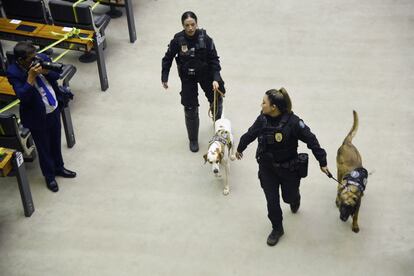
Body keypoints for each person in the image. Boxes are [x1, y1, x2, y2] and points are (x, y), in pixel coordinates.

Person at [235, 88, 330, 246]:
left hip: (288, 170)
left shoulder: (293, 122)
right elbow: (251, 133)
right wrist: (240, 148)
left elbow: (311, 139)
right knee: (272, 201)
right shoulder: (262, 119)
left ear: (274, 107)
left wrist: (323, 161)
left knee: (289, 198)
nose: (261, 104)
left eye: (264, 102)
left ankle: (295, 198)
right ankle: (277, 228)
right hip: (267, 169)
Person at [6, 41, 76, 193]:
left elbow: (57, 75)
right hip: (36, 115)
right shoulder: (13, 72)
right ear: (21, 60)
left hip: (53, 108)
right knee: (44, 148)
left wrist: (46, 72)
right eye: (31, 58)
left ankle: (59, 167)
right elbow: (23, 96)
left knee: (55, 141)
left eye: (35, 55)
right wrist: (31, 77)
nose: (35, 59)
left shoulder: (42, 58)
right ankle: (49, 176)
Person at [161, 11, 226, 152]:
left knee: (217, 98)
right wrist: (164, 76)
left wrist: (216, 78)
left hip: (206, 74)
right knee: (190, 108)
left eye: (193, 24)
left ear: (197, 23)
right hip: (187, 77)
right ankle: (193, 139)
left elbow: (214, 59)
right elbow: (167, 58)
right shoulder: (177, 40)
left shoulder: (206, 39)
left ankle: (218, 125)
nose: (190, 28)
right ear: (183, 26)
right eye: (187, 25)